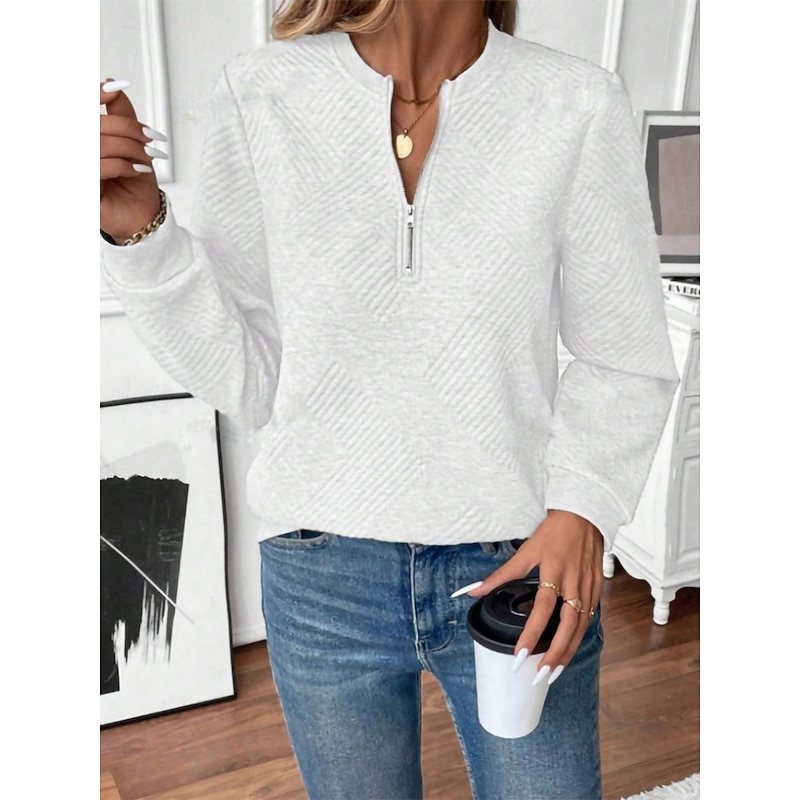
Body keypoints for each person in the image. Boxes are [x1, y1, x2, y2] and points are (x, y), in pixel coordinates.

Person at [100, 1, 679, 797]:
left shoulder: (574, 103)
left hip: (519, 567)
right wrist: (141, 232)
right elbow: (250, 380)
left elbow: (624, 355)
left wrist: (583, 508)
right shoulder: (260, 94)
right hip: (321, 573)